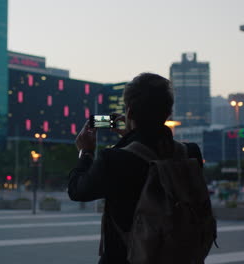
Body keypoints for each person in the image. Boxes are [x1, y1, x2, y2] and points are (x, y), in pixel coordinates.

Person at [68, 72, 204, 264]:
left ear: (129, 112)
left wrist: (86, 152)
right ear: (168, 113)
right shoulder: (190, 153)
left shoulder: (114, 159)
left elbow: (77, 190)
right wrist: (134, 134)